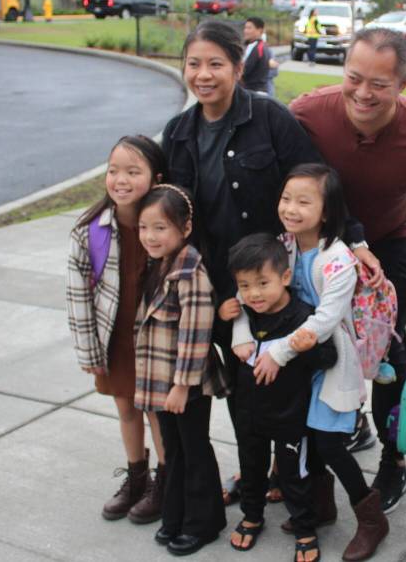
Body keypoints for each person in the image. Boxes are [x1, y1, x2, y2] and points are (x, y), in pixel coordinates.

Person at [161, 20, 377, 505]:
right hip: (220, 288)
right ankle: (255, 474)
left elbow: (318, 179)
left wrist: (355, 238)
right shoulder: (178, 132)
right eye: (194, 64)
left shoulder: (268, 118)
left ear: (239, 67)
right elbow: (166, 210)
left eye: (216, 64)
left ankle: (303, 479)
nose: (204, 74)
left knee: (294, 380)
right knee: (245, 387)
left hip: (277, 286)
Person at [290, 27, 406, 513]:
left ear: (403, 84)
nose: (363, 93)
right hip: (321, 247)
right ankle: (333, 434)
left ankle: (393, 458)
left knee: (386, 357)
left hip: (388, 248)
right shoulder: (307, 115)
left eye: (379, 84)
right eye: (354, 78)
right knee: (319, 346)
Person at [233, 164, 390, 561]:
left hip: (329, 364)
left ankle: (371, 520)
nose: (291, 208)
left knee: (330, 444)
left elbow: (324, 322)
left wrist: (276, 352)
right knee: (304, 437)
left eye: (304, 201)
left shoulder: (337, 258)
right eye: (287, 198)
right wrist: (240, 332)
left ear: (327, 210)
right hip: (298, 369)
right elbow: (249, 294)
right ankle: (321, 508)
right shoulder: (282, 245)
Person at [66, 134, 168, 524]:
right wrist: (89, 352)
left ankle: (164, 480)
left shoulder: (165, 227)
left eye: (132, 171)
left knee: (157, 412)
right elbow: (77, 298)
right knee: (127, 409)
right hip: (115, 338)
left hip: (156, 342)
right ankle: (136, 477)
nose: (120, 180)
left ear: (156, 179)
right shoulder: (90, 231)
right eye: (113, 171)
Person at [225, 233, 336, 559]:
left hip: (290, 417)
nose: (254, 294)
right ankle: (252, 515)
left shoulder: (302, 316)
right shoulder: (244, 314)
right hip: (249, 413)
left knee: (293, 474)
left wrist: (308, 347)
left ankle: (304, 528)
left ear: (285, 277)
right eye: (245, 285)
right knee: (250, 465)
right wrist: (224, 314)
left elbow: (328, 358)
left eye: (262, 283)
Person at [135, 184, 228, 556]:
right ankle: (176, 516)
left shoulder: (191, 274)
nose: (150, 236)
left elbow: (195, 333)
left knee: (194, 449)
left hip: (183, 385)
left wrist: (181, 385)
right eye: (144, 227)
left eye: (160, 227)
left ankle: (203, 523)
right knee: (173, 450)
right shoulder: (158, 267)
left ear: (185, 228)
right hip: (161, 383)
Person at [241, 17, 271, 93]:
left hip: (254, 92)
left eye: (249, 28)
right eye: (245, 28)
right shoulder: (250, 46)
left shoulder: (259, 48)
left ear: (259, 30)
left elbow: (245, 70)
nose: (246, 31)